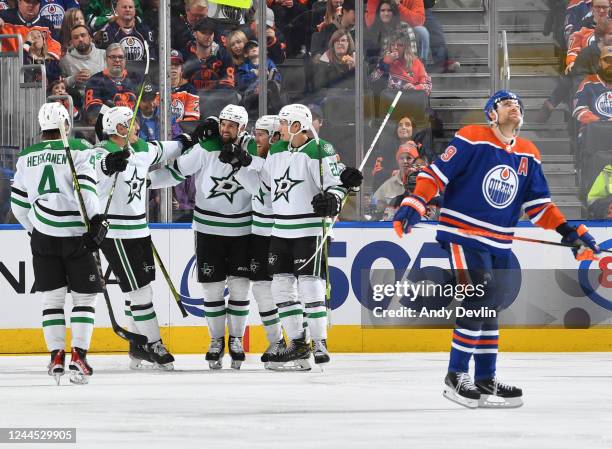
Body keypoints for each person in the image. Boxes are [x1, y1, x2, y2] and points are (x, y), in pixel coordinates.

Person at [393, 90, 601, 408]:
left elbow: (540, 206)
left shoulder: (529, 154)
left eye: (517, 104)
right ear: (492, 113)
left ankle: (485, 378)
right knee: (480, 296)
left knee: (489, 306)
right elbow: (435, 175)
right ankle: (456, 375)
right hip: (463, 235)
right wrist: (414, 203)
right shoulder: (472, 137)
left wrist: (568, 231)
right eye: (506, 104)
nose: (514, 107)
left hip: (498, 241)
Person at [224, 104, 362, 368]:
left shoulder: (319, 150)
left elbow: (338, 185)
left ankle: (319, 341)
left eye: (285, 124)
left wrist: (335, 198)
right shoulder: (277, 150)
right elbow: (264, 179)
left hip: (309, 230)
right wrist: (243, 162)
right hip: (280, 230)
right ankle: (297, 344)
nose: (280, 129)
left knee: (310, 284)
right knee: (280, 286)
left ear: (298, 126)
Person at [148, 105, 254, 370]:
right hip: (207, 228)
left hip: (243, 229)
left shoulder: (252, 147)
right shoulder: (207, 147)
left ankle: (237, 340)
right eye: (223, 123)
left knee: (240, 287)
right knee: (212, 288)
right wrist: (145, 180)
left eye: (232, 125)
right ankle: (216, 340)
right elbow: (177, 172)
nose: (225, 129)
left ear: (242, 128)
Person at [10, 102, 109, 385]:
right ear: (66, 123)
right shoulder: (78, 148)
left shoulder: (25, 156)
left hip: (43, 237)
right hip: (76, 236)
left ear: (42, 128)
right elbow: (88, 190)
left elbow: (18, 207)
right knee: (84, 299)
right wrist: (96, 222)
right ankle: (79, 356)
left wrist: (35, 231)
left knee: (52, 300)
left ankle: (55, 356)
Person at [93, 106, 193, 370]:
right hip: (116, 232)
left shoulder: (142, 149)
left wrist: (187, 140)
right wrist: (108, 164)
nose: (138, 128)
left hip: (140, 231)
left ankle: (137, 348)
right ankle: (153, 343)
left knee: (136, 288)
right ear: (120, 129)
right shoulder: (100, 153)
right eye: (133, 124)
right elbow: (95, 171)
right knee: (140, 291)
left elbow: (166, 149)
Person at [233, 115, 286, 368]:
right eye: (255, 132)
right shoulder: (260, 157)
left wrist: (245, 163)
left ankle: (301, 340)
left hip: (282, 233)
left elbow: (267, 175)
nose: (257, 138)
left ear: (276, 137)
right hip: (259, 232)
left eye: (262, 133)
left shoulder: (285, 160)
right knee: (261, 289)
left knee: (288, 289)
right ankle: (277, 341)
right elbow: (257, 187)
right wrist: (239, 166)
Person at [84, 43, 139, 124]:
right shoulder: (95, 80)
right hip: (109, 128)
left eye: (120, 57)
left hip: (136, 127)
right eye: (113, 57)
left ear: (125, 60)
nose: (117, 60)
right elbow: (93, 110)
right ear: (106, 59)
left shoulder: (136, 78)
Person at [182, 17, 235, 91]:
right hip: (191, 98)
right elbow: (180, 83)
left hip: (217, 98)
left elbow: (228, 84)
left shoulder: (224, 55)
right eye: (204, 32)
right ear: (194, 34)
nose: (208, 36)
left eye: (210, 33)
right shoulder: (185, 54)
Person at [573, 45, 612, 143]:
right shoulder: (588, 82)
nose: (610, 64)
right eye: (607, 60)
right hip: (595, 135)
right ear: (599, 63)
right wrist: (602, 123)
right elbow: (579, 110)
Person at [60, 24, 106, 102]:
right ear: (71, 42)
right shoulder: (65, 60)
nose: (80, 39)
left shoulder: (104, 55)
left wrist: (93, 79)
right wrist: (73, 78)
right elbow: (59, 85)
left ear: (90, 38)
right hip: (78, 102)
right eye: (76, 37)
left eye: (83, 35)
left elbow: (113, 79)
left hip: (102, 97)